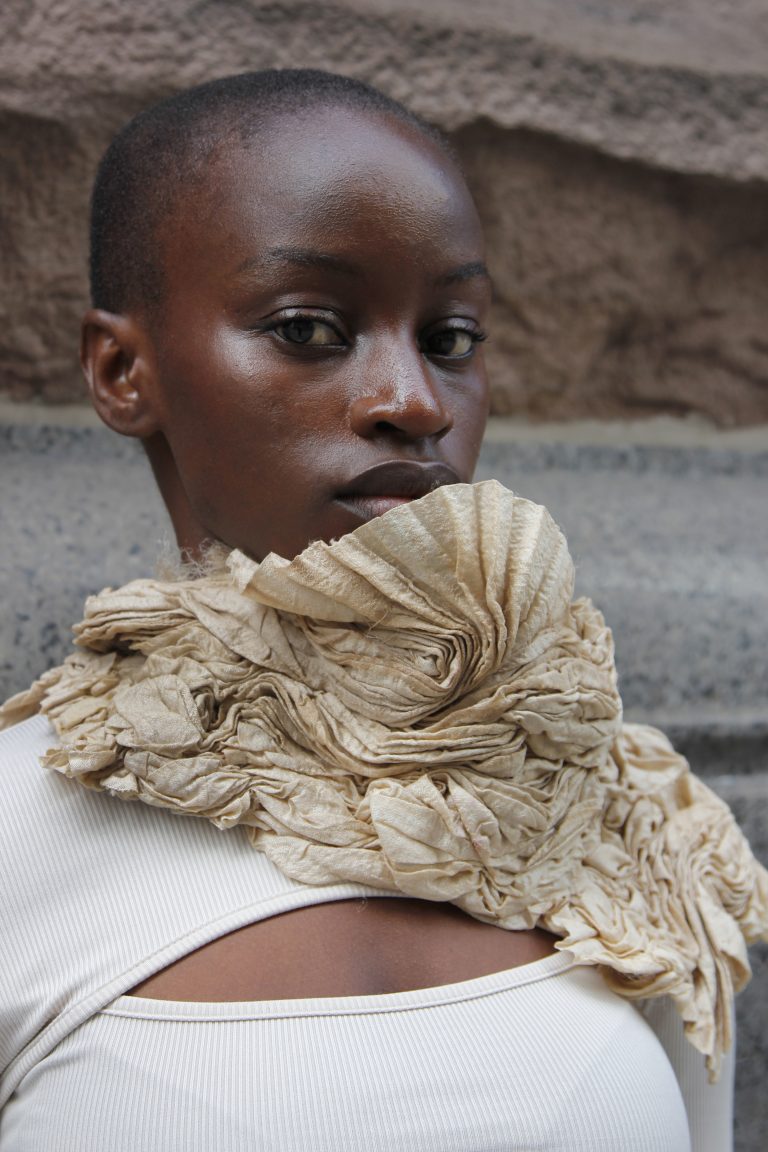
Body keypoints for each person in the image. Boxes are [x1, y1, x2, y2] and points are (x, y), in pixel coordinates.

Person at [0, 70, 765, 1151]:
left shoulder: (626, 817)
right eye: (310, 328)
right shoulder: (15, 836)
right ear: (123, 370)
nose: (414, 400)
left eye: (452, 338)